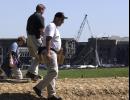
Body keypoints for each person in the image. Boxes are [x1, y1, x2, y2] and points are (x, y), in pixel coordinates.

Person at [33, 12, 68, 100]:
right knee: (54, 72)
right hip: (50, 51)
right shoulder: (52, 26)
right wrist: (48, 52)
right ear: (57, 18)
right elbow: (48, 39)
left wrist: (59, 49)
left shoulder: (53, 27)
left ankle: (51, 95)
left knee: (52, 74)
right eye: (62, 19)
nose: (63, 22)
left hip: (52, 51)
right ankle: (38, 87)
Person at [26, 4, 46, 81]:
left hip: (29, 37)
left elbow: (27, 29)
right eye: (44, 10)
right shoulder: (40, 17)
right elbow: (42, 30)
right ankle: (30, 72)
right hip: (35, 37)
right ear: (41, 9)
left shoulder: (30, 17)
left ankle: (34, 75)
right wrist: (45, 39)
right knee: (41, 55)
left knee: (37, 57)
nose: (44, 12)